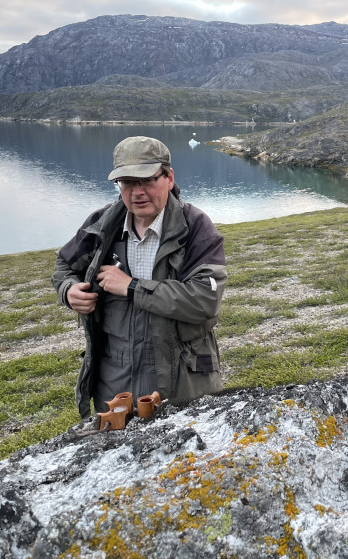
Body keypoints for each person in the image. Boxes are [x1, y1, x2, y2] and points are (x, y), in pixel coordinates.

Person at [53, 136, 227, 418]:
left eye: (147, 180)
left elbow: (204, 301)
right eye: (127, 182)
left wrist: (131, 287)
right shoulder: (101, 225)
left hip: (183, 382)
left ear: (169, 178)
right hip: (115, 386)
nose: (137, 192)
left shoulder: (195, 227)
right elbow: (64, 266)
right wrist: (69, 290)